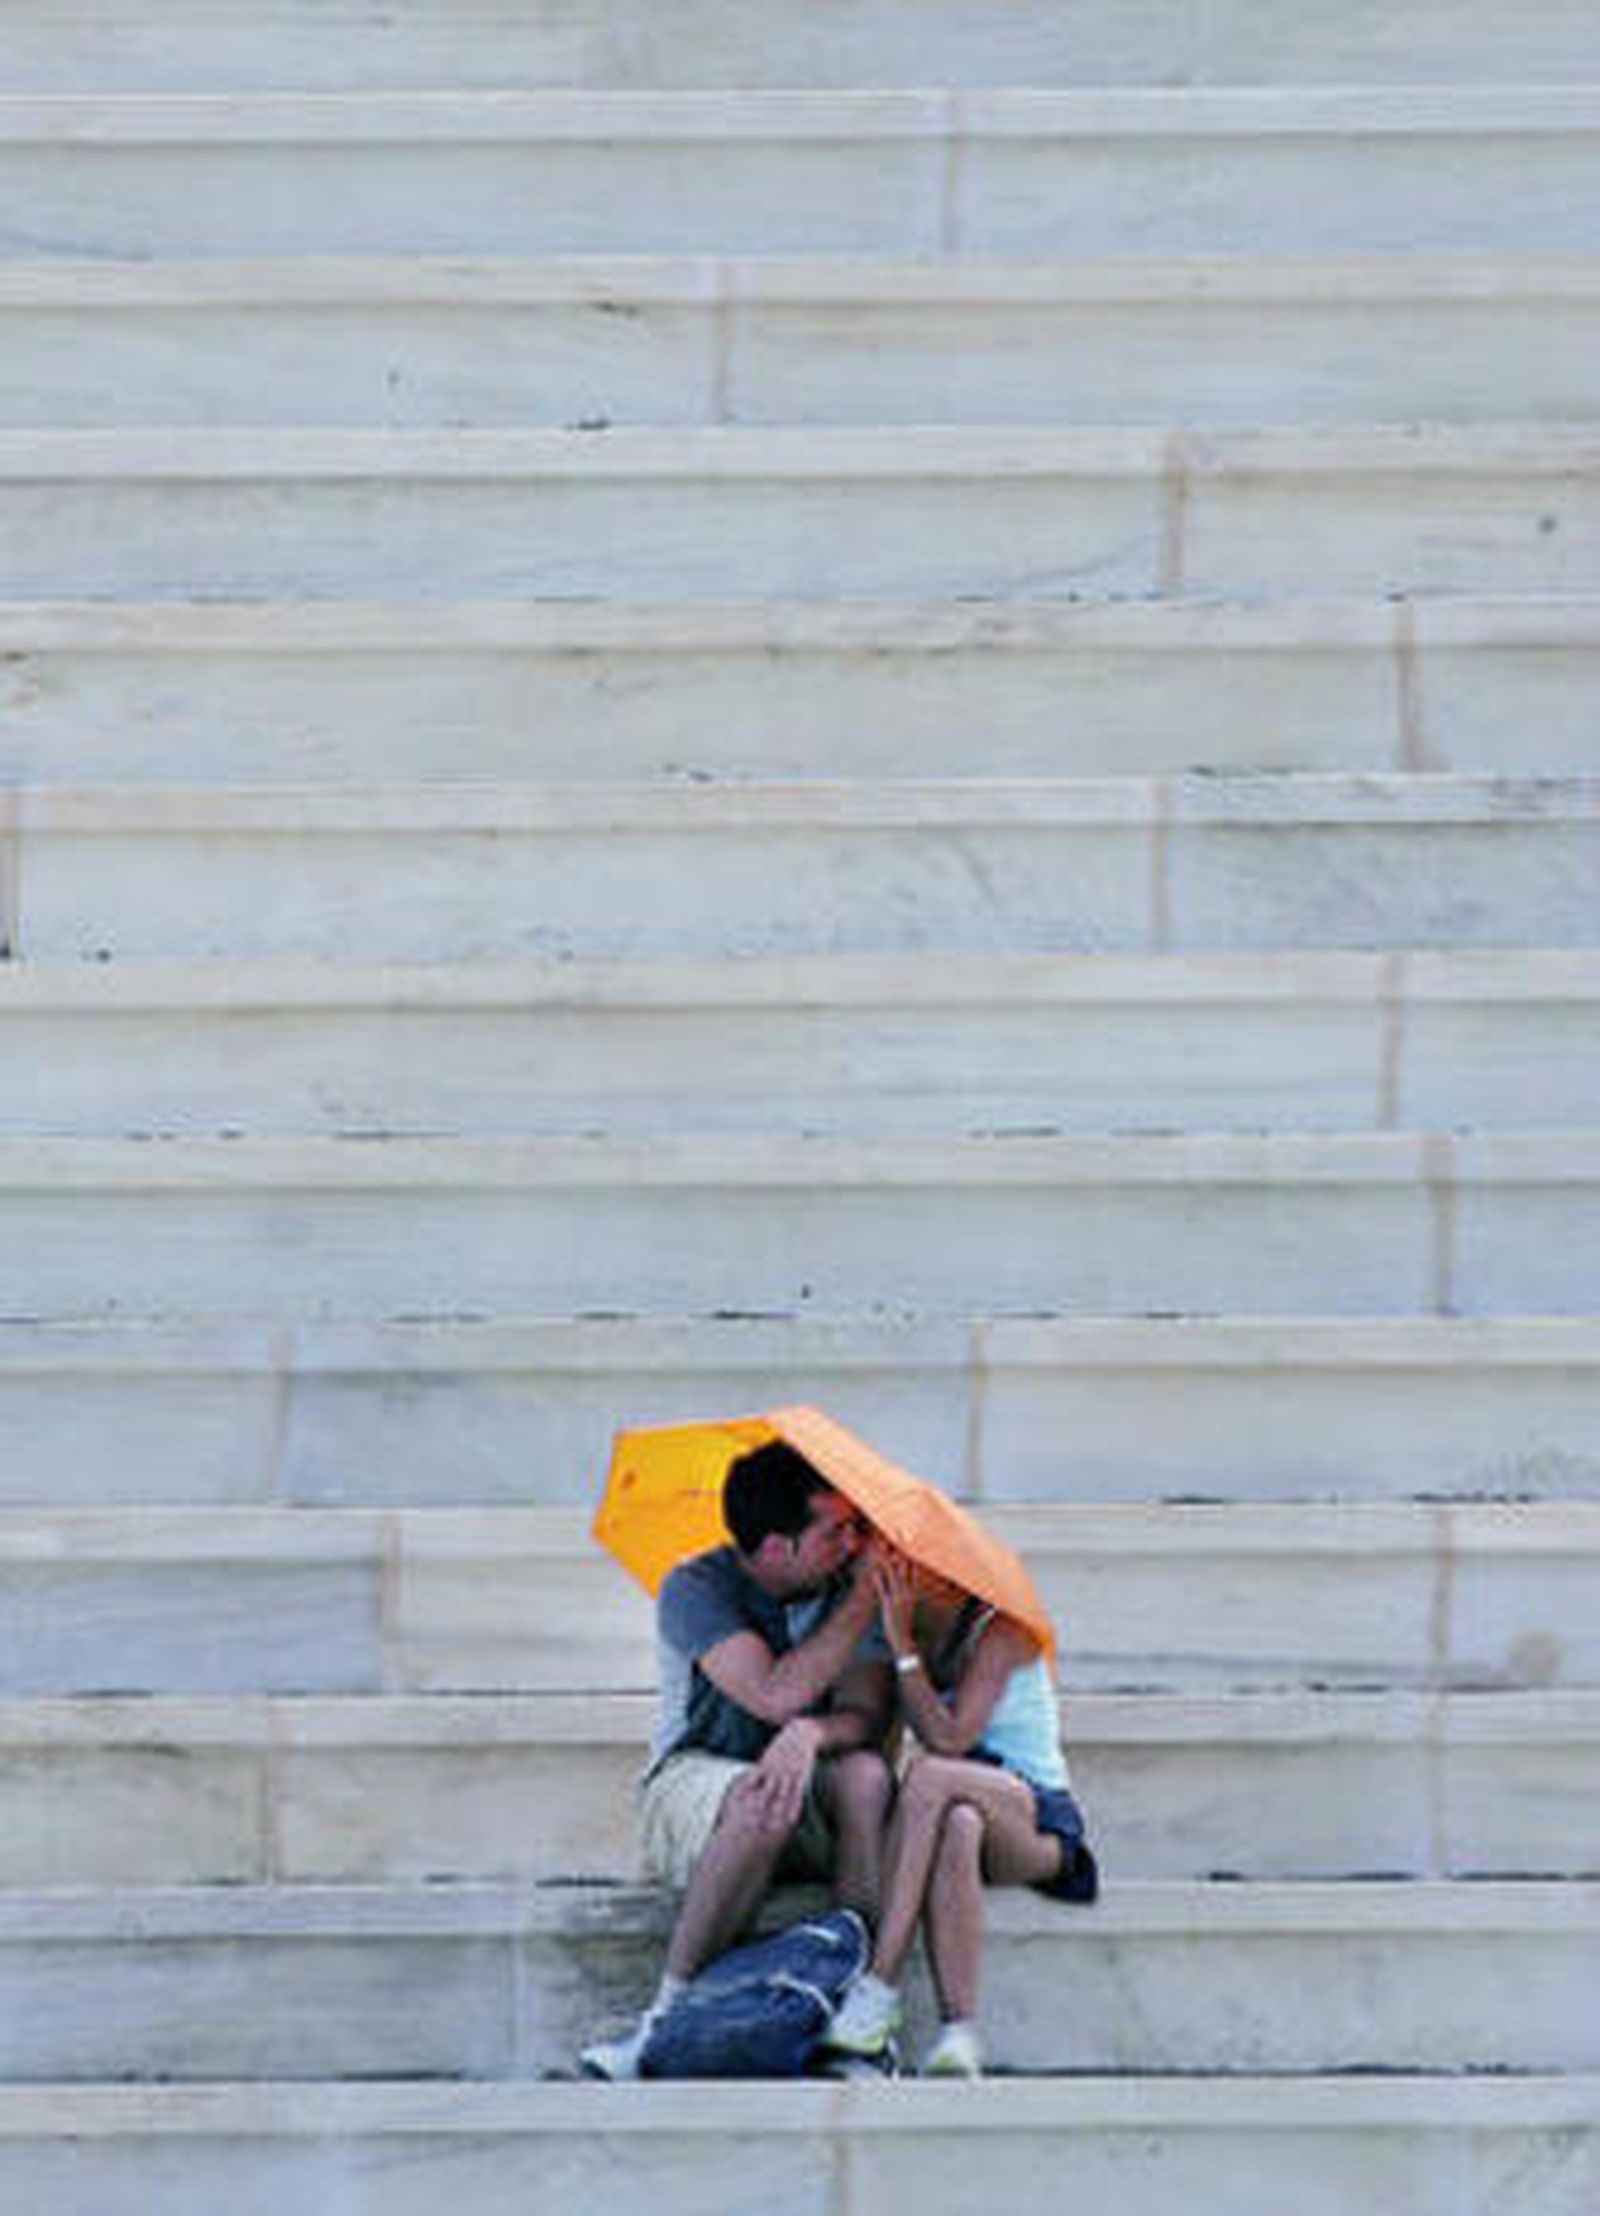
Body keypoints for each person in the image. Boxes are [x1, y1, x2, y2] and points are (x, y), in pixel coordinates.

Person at [581, 1439, 895, 2078]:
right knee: (760, 1799)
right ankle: (661, 2020)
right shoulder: (696, 1588)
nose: (854, 1545)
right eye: (835, 1532)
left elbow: (863, 1718)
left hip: (810, 1783)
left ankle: (856, 2025)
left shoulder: (847, 1585)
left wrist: (810, 1735)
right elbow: (773, 1694)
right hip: (693, 1783)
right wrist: (864, 1605)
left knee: (866, 1777)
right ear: (779, 1547)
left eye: (855, 1527)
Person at [822, 1547, 1097, 2078]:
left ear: (942, 1577)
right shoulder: (920, 1642)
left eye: (904, 1572)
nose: (890, 1584)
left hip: (1035, 1817)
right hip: (964, 1808)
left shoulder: (1003, 1630)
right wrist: (894, 1652)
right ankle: (959, 2033)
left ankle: (878, 1985)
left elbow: (948, 1738)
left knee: (930, 1776)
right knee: (957, 1825)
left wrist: (903, 1651)